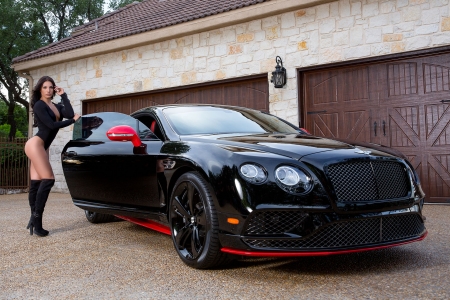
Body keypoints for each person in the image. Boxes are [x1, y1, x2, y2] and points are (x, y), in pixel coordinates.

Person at [24, 76, 81, 237]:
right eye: (45, 87)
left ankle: (34, 221)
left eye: (51, 87)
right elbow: (51, 125)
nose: (48, 90)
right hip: (36, 144)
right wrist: (72, 121)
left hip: (43, 147)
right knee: (49, 179)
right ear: (40, 90)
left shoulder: (57, 105)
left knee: (36, 183)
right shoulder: (39, 105)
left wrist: (64, 95)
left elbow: (69, 113)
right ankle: (36, 219)